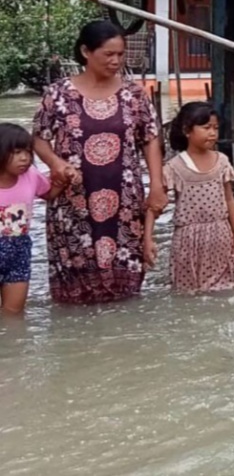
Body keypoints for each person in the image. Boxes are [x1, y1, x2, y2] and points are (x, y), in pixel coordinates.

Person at [32, 20, 166, 305]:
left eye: (120, 54)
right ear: (86, 52)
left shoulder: (134, 95)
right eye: (108, 54)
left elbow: (151, 139)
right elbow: (39, 139)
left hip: (126, 203)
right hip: (73, 203)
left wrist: (157, 184)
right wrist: (56, 163)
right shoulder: (57, 94)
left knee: (126, 289)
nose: (116, 61)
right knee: (74, 289)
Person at [144, 102, 234, 293]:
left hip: (220, 235)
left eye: (215, 128)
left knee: (225, 289)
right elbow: (155, 205)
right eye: (206, 128)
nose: (212, 133)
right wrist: (148, 240)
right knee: (188, 291)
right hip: (188, 240)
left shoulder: (222, 161)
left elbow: (229, 200)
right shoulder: (175, 167)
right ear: (187, 131)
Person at [0, 124, 66, 313]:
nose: (25, 158)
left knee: (13, 313)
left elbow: (48, 193)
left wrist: (63, 181)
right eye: (16, 152)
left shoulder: (31, 176)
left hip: (18, 253)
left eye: (28, 152)